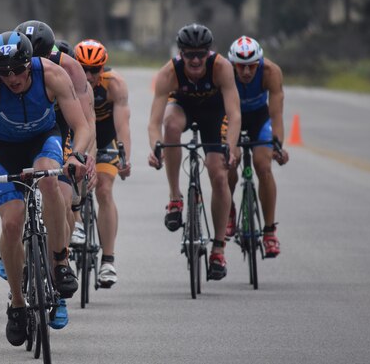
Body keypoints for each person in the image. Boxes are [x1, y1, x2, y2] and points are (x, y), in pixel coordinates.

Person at [0, 31, 91, 347]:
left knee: (49, 179)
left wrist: (76, 156)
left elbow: (82, 125)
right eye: (3, 72)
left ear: (29, 62)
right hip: (5, 151)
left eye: (18, 69)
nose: (12, 78)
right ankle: (17, 304)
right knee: (12, 223)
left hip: (43, 139)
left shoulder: (52, 74)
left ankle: (60, 262)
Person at [147, 23, 240, 280]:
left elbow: (234, 114)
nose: (196, 60)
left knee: (218, 174)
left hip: (214, 113)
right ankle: (175, 197)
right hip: (183, 106)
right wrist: (156, 147)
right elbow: (154, 122)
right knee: (171, 126)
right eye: (190, 54)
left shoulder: (222, 68)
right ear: (181, 54)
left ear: (209, 52)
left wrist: (230, 149)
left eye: (201, 53)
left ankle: (218, 249)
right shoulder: (169, 73)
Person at [74, 39, 132, 288]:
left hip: (106, 139)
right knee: (71, 185)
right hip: (80, 139)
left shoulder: (114, 85)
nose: (88, 75)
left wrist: (125, 157)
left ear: (103, 68)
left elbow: (122, 126)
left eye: (94, 70)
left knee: (104, 190)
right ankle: (74, 231)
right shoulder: (66, 82)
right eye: (83, 69)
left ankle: (108, 260)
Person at [226, 35, 289, 257]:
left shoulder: (271, 72)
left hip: (259, 118)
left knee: (263, 166)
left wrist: (278, 145)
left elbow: (276, 114)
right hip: (231, 117)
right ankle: (229, 210)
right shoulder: (223, 72)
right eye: (241, 67)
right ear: (232, 64)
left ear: (259, 63)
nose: (246, 72)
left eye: (251, 66)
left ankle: (270, 232)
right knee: (228, 161)